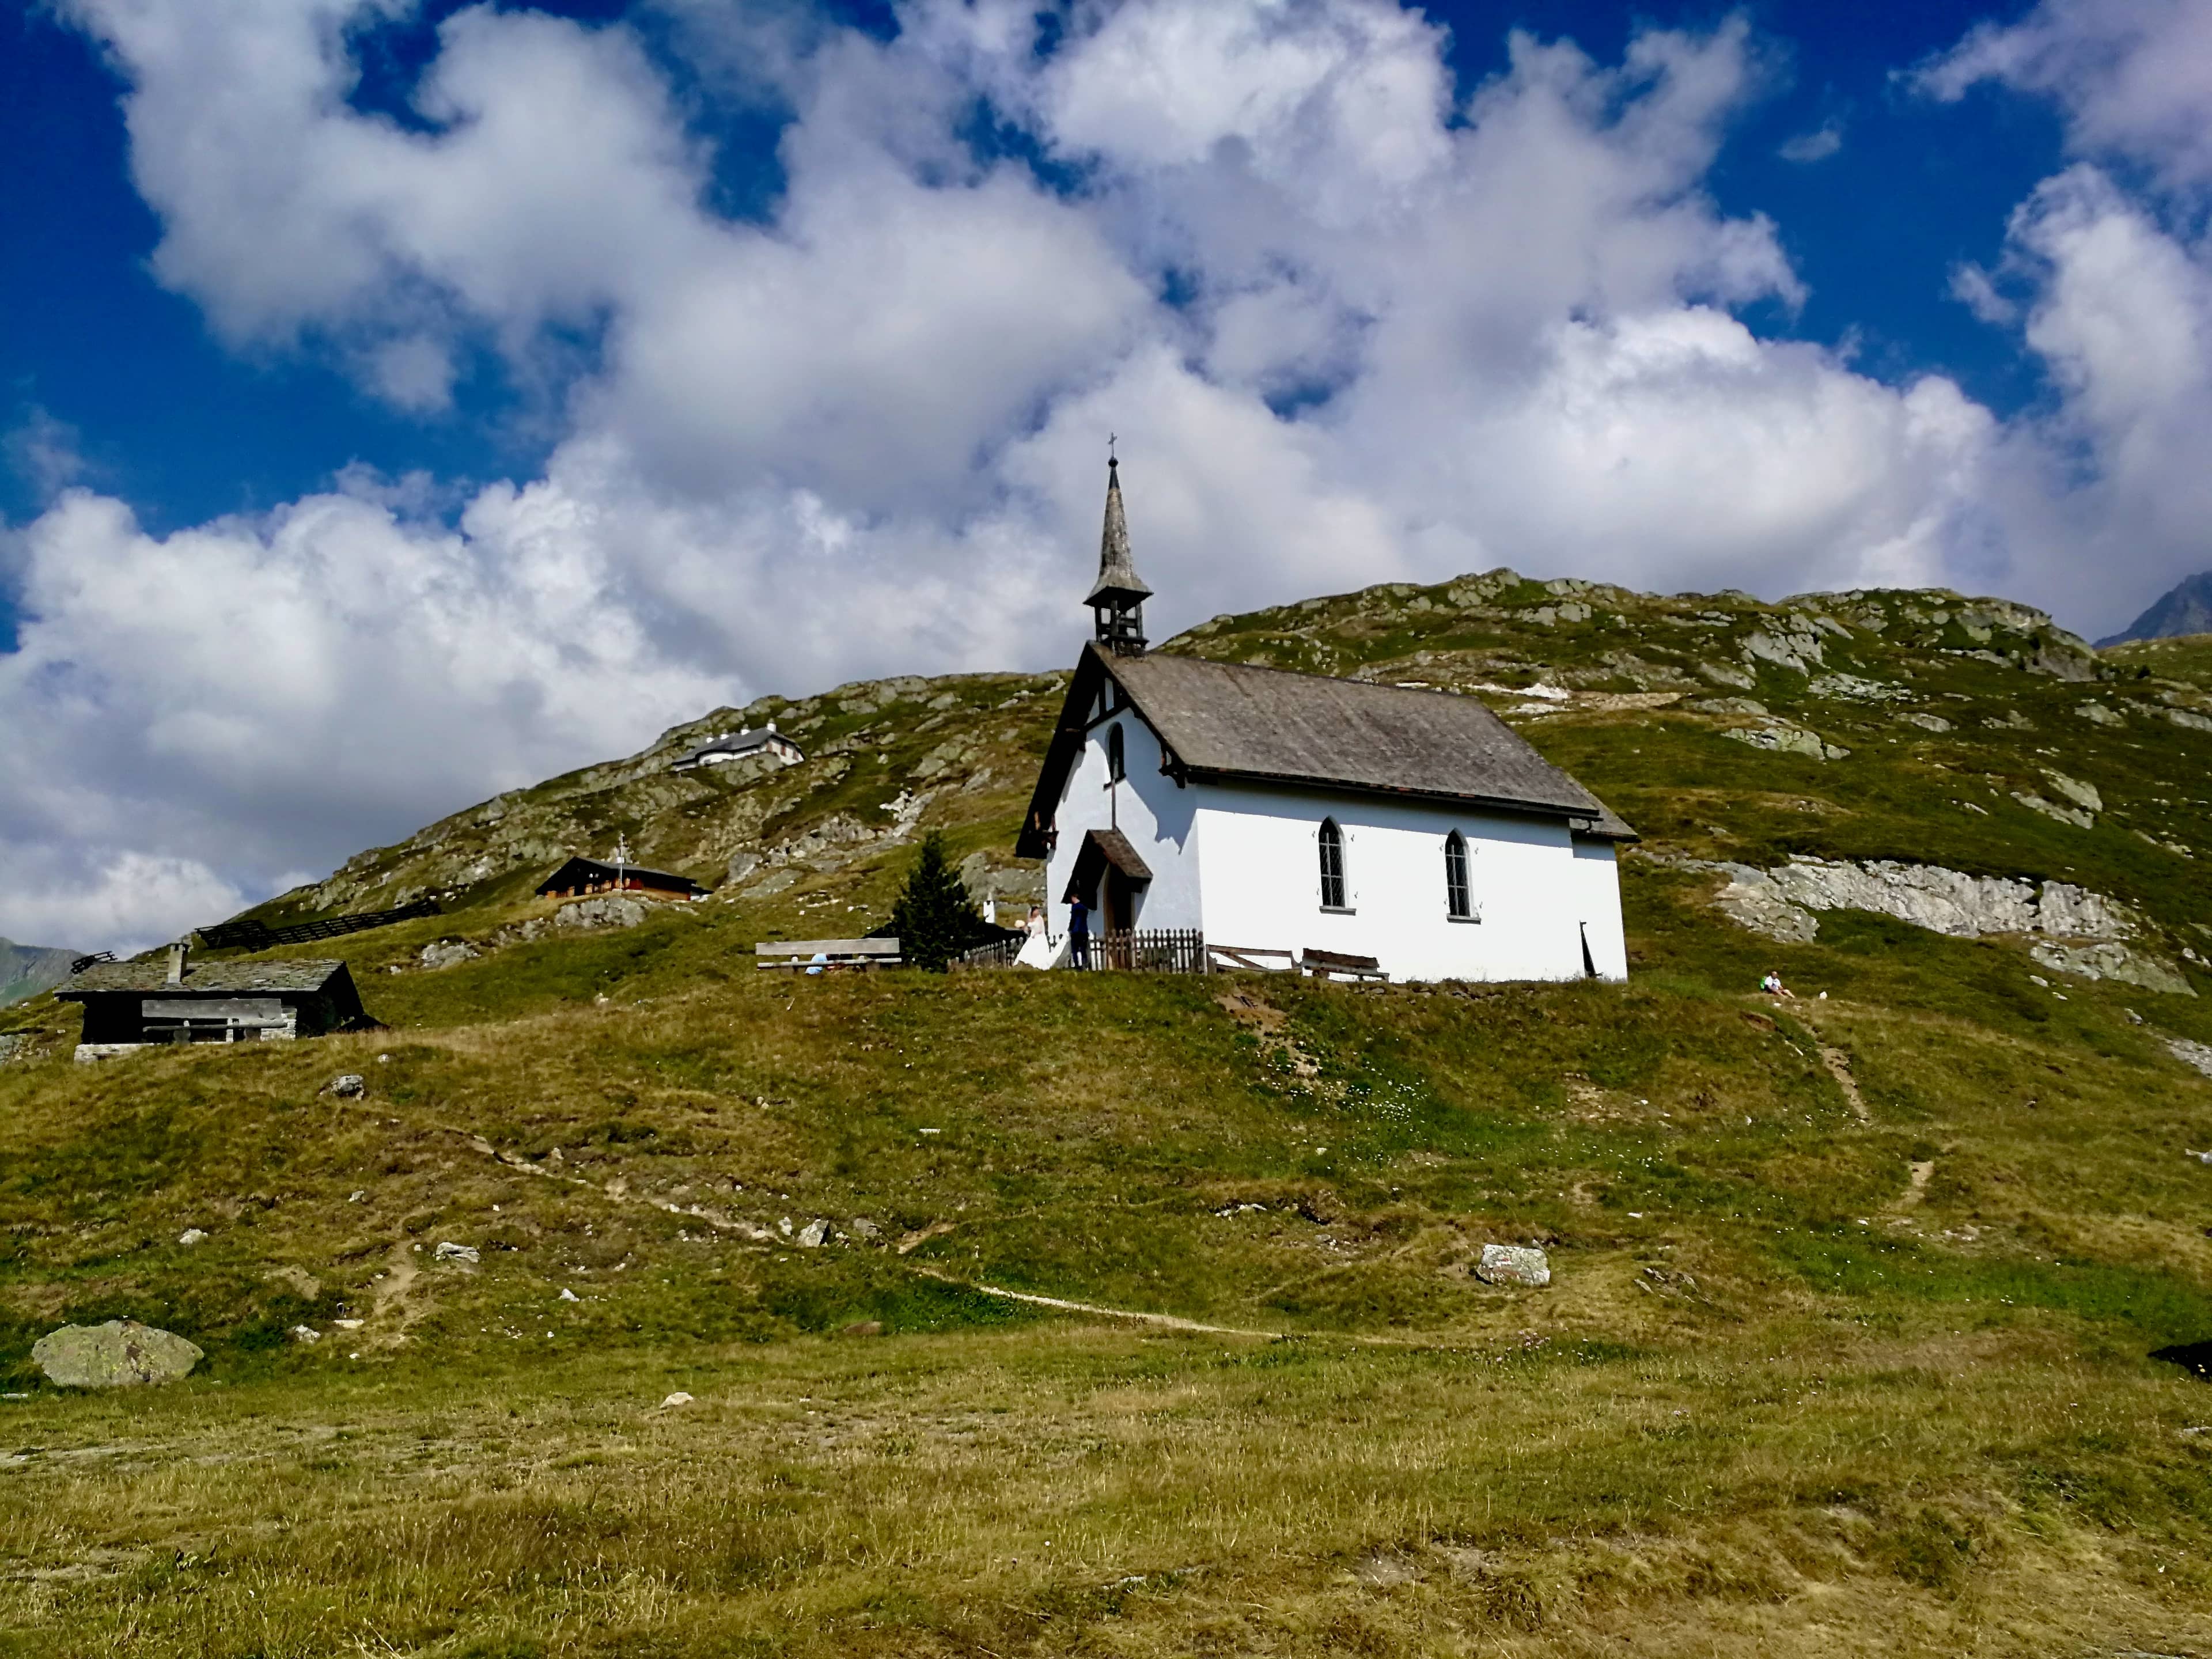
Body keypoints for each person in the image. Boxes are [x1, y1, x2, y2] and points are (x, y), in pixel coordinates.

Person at [1015, 903, 1056, 971]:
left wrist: (1036, 934)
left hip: (1039, 936)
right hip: (1032, 936)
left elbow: (1041, 928)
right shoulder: (1030, 919)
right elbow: (1028, 928)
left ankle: (1040, 964)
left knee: (1039, 950)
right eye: (1036, 911)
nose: (1037, 912)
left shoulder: (1040, 919)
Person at [1068, 892, 1091, 969]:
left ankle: (1077, 965)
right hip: (1084, 930)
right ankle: (1085, 964)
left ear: (1074, 898)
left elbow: (1073, 919)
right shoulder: (1084, 908)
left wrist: (1070, 928)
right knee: (1083, 948)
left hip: (1076, 931)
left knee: (1074, 949)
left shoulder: (1075, 907)